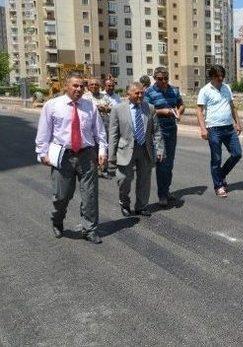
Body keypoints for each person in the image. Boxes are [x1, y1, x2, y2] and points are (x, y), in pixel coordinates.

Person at [35, 71, 107, 244]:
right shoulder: (52, 105)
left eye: (82, 85)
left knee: (90, 195)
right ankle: (57, 220)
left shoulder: (90, 106)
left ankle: (89, 229)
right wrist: (42, 153)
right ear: (66, 86)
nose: (79, 89)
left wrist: (102, 150)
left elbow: (99, 131)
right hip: (63, 156)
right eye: (75, 85)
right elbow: (44, 132)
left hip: (87, 155)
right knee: (61, 196)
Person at [109, 82, 165, 217]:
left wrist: (159, 150)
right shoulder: (118, 109)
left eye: (142, 93)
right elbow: (113, 135)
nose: (140, 95)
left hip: (145, 149)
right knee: (124, 180)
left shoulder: (150, 108)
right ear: (129, 94)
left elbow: (157, 131)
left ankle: (141, 206)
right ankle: (124, 203)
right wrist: (111, 158)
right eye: (137, 93)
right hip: (125, 150)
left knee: (144, 180)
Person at [196, 65, 242, 198]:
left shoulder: (227, 88)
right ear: (212, 77)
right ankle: (219, 186)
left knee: (237, 154)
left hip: (229, 128)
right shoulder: (205, 90)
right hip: (213, 129)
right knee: (216, 159)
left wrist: (238, 123)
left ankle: (220, 175)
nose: (221, 79)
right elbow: (199, 110)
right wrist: (203, 129)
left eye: (222, 76)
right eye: (218, 77)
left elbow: (232, 106)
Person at [144, 66, 185, 206]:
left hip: (171, 129)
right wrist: (163, 111)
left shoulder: (174, 90)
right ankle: (162, 195)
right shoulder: (149, 92)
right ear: (155, 79)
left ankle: (166, 190)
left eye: (166, 78)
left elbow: (181, 105)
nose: (163, 81)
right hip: (157, 130)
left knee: (169, 163)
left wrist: (179, 112)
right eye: (160, 79)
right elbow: (147, 110)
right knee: (162, 162)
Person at [84, 77, 113, 178]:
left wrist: (105, 108)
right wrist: (98, 107)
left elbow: (111, 107)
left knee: (105, 146)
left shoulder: (104, 96)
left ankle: (104, 169)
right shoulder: (85, 97)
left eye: (96, 84)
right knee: (92, 148)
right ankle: (93, 169)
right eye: (92, 84)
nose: (94, 86)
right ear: (88, 86)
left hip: (105, 124)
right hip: (91, 127)